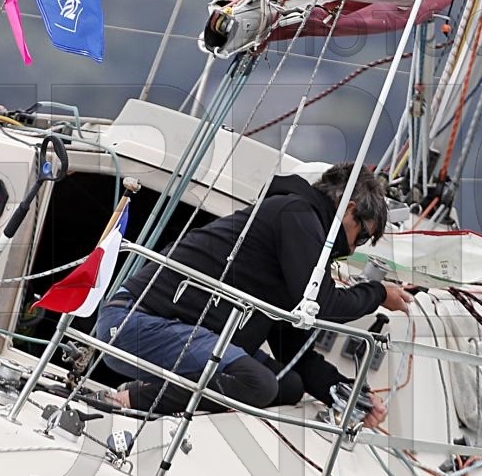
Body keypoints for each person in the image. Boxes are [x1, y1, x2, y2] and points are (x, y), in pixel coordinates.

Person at [92, 163, 411, 420]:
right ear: (349, 210)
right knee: (257, 383)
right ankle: (128, 399)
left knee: (287, 385)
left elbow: (292, 350)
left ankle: (147, 391)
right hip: (133, 323)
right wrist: (378, 294)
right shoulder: (297, 215)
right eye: (362, 236)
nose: (353, 248)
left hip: (178, 332)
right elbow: (322, 304)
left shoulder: (300, 237)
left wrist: (349, 394)